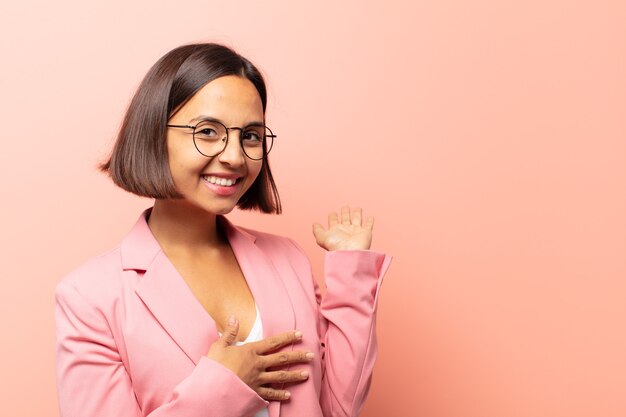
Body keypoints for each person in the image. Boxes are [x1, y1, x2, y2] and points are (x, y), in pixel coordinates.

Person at [54, 42, 392, 417]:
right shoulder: (90, 297)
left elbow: (339, 406)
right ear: (154, 133)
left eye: (250, 136)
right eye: (208, 131)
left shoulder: (288, 260)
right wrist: (222, 387)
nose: (234, 156)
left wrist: (351, 275)